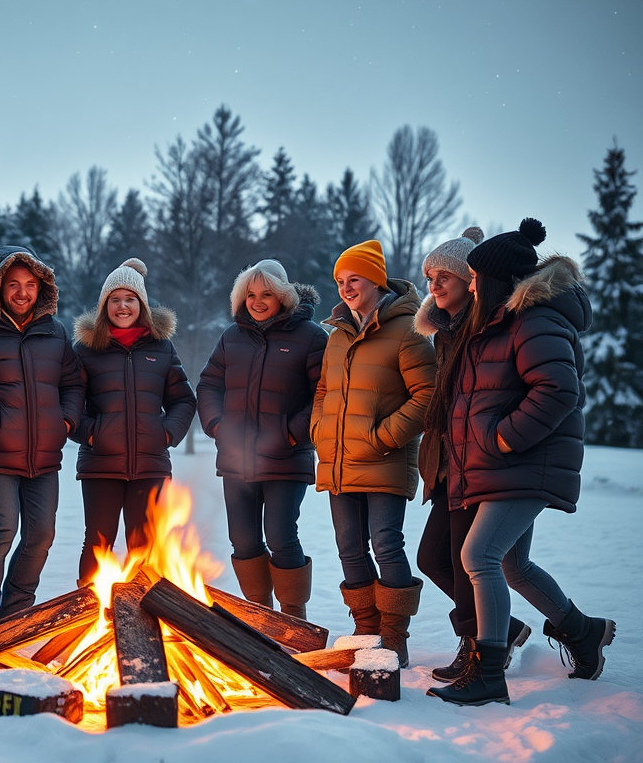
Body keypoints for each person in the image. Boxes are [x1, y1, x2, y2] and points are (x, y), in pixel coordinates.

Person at [427, 219, 615, 706]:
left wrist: (504, 440)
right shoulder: (499, 320)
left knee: (478, 556)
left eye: (473, 278)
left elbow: (558, 390)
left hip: (525, 462)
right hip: (505, 465)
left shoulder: (536, 319)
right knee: (513, 565)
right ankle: (583, 632)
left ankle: (490, 673)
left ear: (491, 279)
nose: (468, 285)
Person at [415, 227, 532, 683]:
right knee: (434, 559)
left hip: (481, 461)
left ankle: (481, 647)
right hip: (449, 461)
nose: (434, 285)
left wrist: (500, 439)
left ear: (472, 279)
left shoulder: (484, 326)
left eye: (444, 275)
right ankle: (500, 630)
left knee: (472, 562)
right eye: (429, 277)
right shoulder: (444, 332)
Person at [311, 240, 436, 666]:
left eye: (354, 279)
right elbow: (323, 391)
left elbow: (427, 396)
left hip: (385, 460)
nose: (346, 288)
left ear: (376, 280)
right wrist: (320, 430)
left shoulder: (408, 328)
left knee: (385, 544)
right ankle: (366, 631)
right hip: (339, 460)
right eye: (340, 281)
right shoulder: (338, 334)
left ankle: (394, 637)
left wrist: (382, 437)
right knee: (348, 547)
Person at [0, 246, 85, 625]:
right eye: (13, 284)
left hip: (43, 457)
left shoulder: (55, 332)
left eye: (30, 284)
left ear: (41, 288)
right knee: (2, 528)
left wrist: (64, 423)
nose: (23, 292)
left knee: (41, 535)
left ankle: (14, 618)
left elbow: (72, 384)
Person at [197, 260, 327, 619]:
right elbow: (209, 384)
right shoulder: (232, 337)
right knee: (243, 541)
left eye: (266, 293)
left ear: (283, 295)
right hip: (237, 459)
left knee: (281, 536)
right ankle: (261, 616)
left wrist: (289, 433)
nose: (257, 301)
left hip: (286, 457)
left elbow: (324, 395)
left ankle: (292, 616)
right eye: (250, 294)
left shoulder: (312, 337)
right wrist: (218, 426)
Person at [70, 259, 196, 584]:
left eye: (130, 299)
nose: (122, 306)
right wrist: (93, 434)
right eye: (115, 299)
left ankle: (144, 621)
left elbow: (183, 400)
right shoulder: (85, 350)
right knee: (98, 543)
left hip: (151, 465)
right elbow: (70, 404)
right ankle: (88, 617)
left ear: (141, 304)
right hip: (100, 466)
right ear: (104, 305)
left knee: (146, 548)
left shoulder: (161, 348)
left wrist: (166, 434)